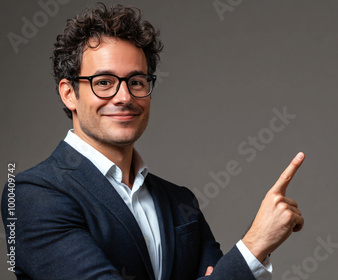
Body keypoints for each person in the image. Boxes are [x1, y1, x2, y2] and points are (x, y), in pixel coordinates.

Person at [1, 3, 304, 280]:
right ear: (69, 94)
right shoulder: (32, 197)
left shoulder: (180, 201)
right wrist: (254, 245)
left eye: (136, 82)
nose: (124, 97)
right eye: (103, 82)